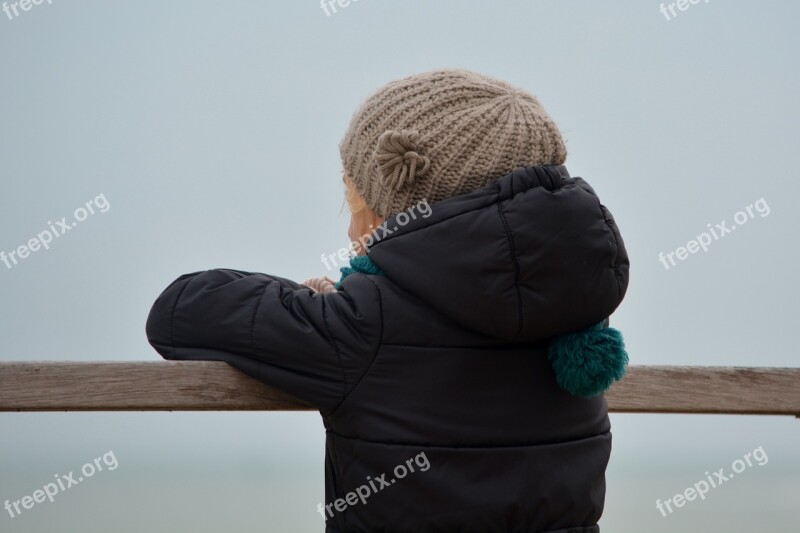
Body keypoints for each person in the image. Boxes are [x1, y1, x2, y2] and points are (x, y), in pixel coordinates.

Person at [146, 68, 630, 533]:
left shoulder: (363, 324)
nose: (351, 229)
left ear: (402, 200)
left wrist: (307, 302)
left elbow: (177, 312)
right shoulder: (578, 314)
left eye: (354, 199)